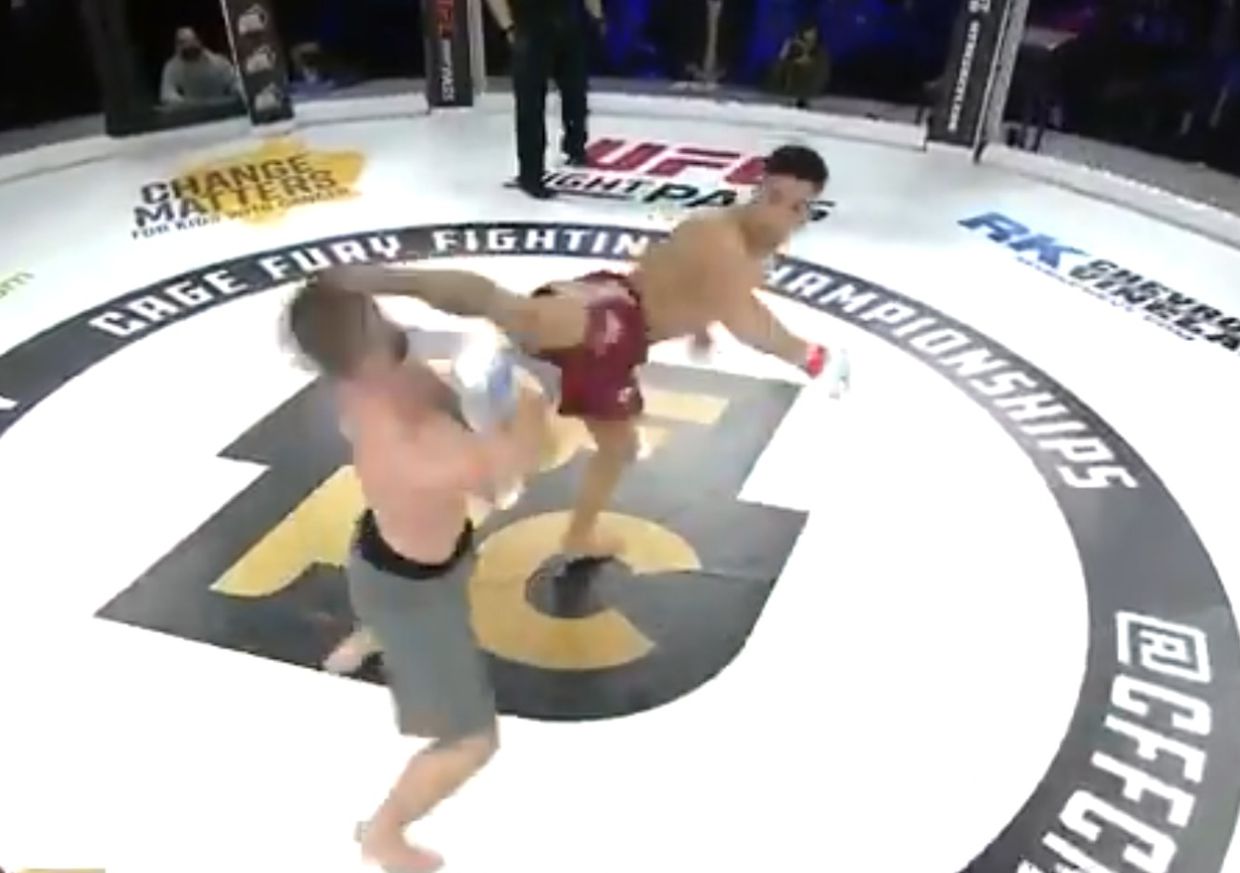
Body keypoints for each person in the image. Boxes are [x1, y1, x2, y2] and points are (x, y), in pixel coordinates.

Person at [319, 144, 849, 563]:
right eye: (774, 197)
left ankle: (576, 530)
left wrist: (700, 321)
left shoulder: (743, 245)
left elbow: (696, 281)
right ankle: (390, 283)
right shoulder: (725, 242)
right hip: (614, 315)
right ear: (758, 189)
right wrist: (811, 358)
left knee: (618, 447)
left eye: (795, 206)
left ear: (807, 211)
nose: (780, 214)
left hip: (623, 328)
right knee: (517, 312)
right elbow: (749, 320)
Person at [283, 281, 547, 873]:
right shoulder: (401, 442)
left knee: (441, 562)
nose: (393, 327)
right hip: (410, 589)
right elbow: (504, 478)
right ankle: (383, 834)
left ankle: (374, 631)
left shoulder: (374, 381)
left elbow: (447, 397)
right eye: (376, 322)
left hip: (407, 551)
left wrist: (482, 384)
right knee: (471, 741)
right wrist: (524, 404)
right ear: (363, 352)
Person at [483, 0, 606, 198]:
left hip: (565, 21)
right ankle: (530, 174)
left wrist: (597, 17)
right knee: (530, 102)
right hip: (530, 25)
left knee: (575, 90)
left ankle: (575, 147)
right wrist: (509, 27)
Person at [159, 27, 241, 108]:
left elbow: (236, 84)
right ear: (177, 46)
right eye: (183, 42)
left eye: (192, 40)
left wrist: (234, 97)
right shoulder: (172, 67)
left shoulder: (219, 61)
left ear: (198, 41)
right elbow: (167, 95)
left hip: (223, 108)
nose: (188, 45)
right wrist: (188, 104)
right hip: (192, 111)